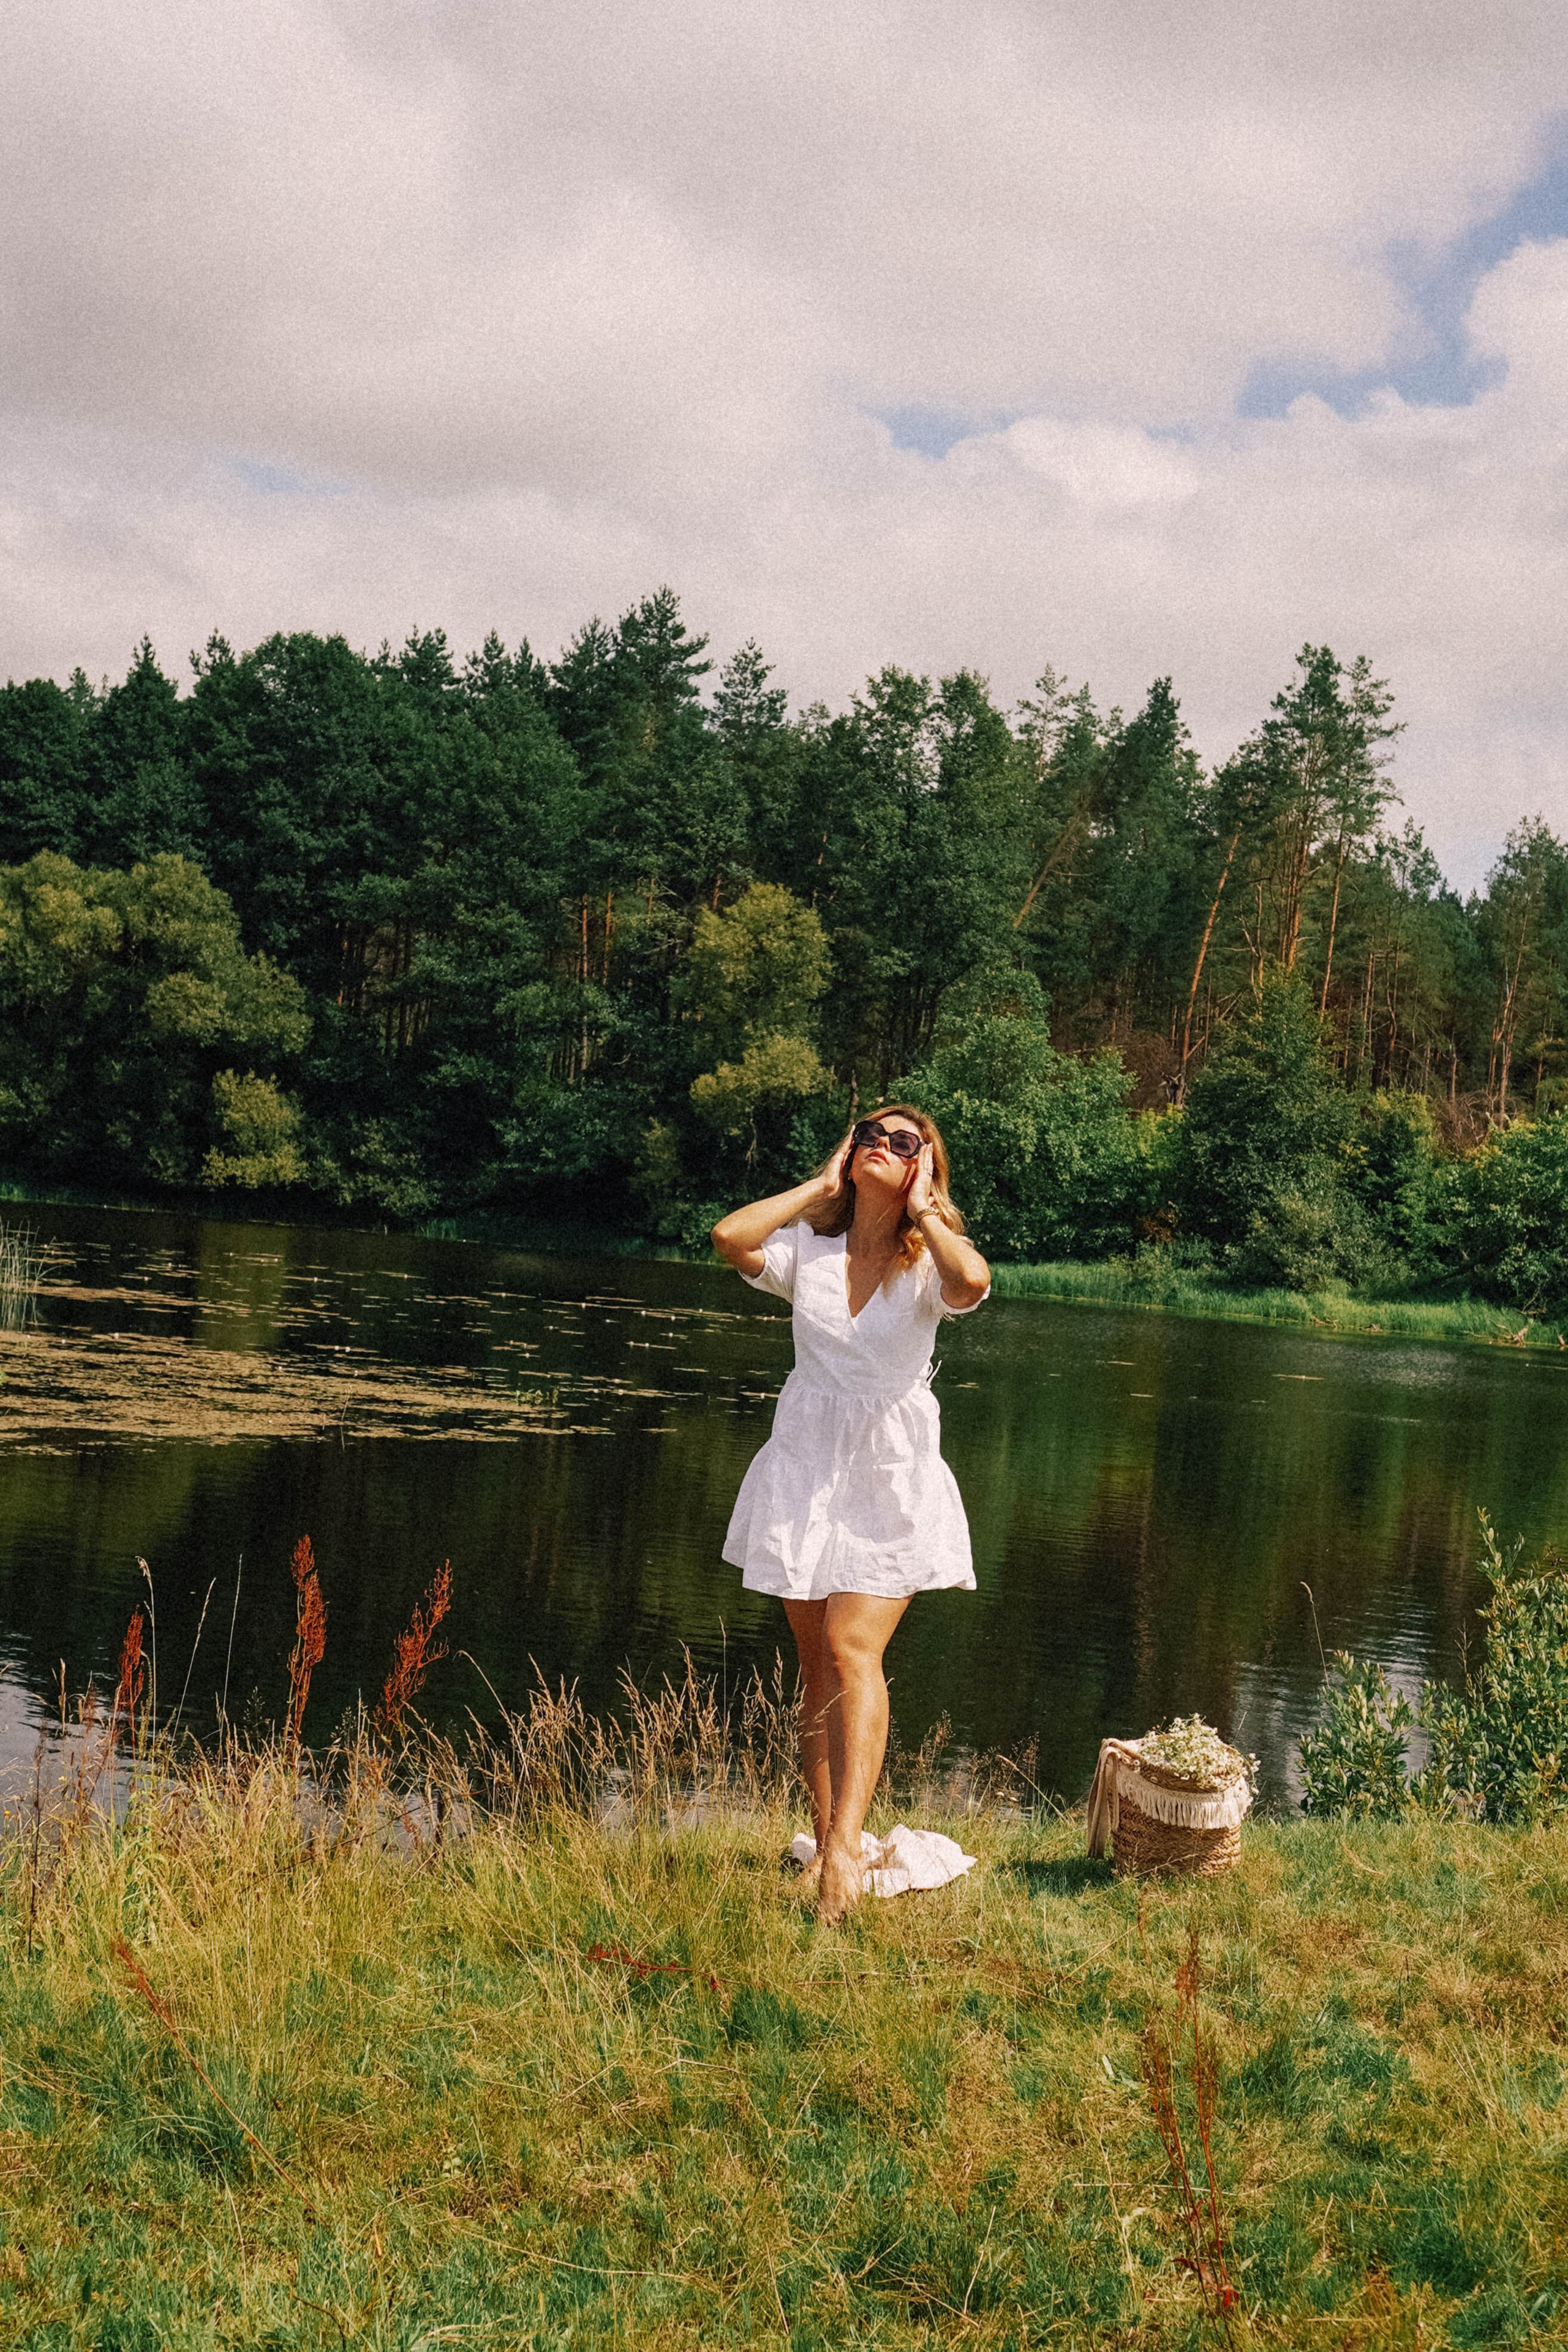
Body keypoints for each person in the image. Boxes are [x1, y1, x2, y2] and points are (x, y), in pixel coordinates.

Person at [711, 1108, 990, 1922]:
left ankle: (842, 1856)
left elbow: (972, 1284)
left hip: (890, 1478)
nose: (884, 1143)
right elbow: (731, 1236)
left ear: (924, 1167)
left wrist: (928, 1208)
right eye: (872, 1131)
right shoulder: (810, 1250)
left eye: (907, 1142)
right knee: (817, 1668)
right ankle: (829, 1834)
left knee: (851, 1646)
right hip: (805, 1467)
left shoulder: (928, 1262)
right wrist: (820, 1186)